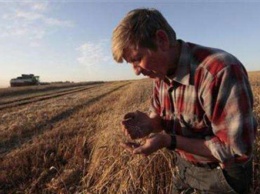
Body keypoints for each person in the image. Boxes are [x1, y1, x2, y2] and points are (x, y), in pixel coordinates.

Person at [112, 8, 257, 194]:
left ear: (162, 40)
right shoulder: (160, 75)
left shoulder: (219, 71)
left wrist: (168, 141)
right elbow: (160, 117)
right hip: (186, 167)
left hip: (223, 175)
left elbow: (233, 149)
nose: (136, 71)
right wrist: (149, 123)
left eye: (137, 59)